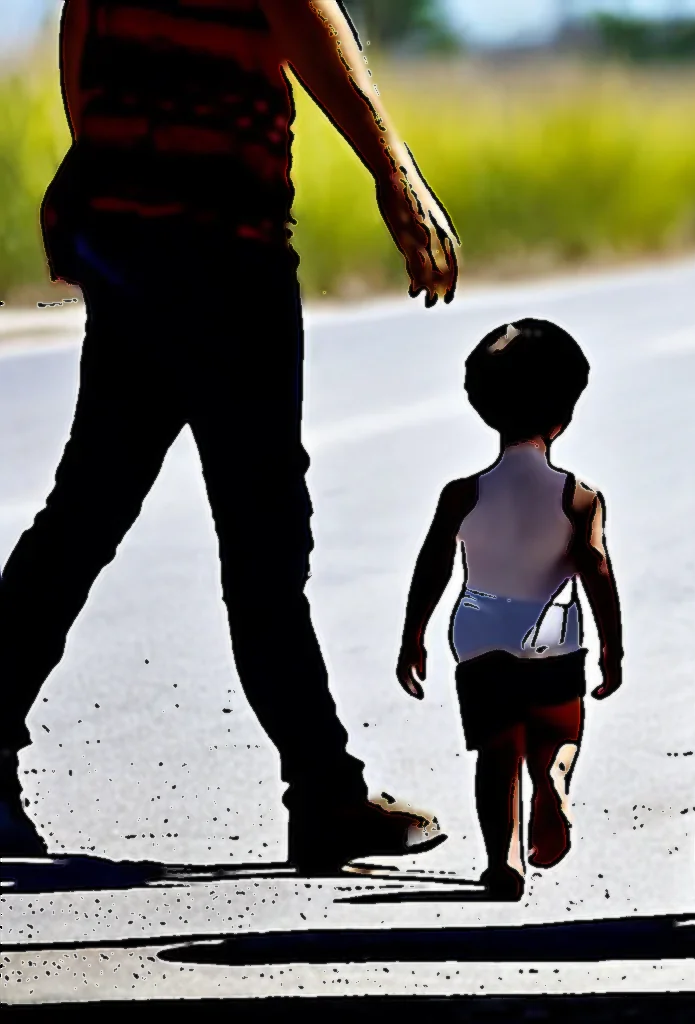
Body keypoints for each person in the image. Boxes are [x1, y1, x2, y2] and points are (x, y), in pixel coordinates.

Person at [0, 0, 459, 874]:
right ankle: (325, 798)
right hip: (223, 251)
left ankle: (323, 787)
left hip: (136, 239)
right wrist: (393, 168)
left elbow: (79, 24)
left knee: (86, 511)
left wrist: (97, 168)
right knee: (262, 539)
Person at [396, 320, 624, 900]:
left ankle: (504, 862)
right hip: (550, 632)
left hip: (478, 631)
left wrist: (413, 636)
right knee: (559, 730)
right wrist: (612, 647)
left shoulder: (462, 493)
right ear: (564, 414)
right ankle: (554, 779)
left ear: (485, 409)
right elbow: (594, 567)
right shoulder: (579, 496)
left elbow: (433, 566)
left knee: (495, 752)